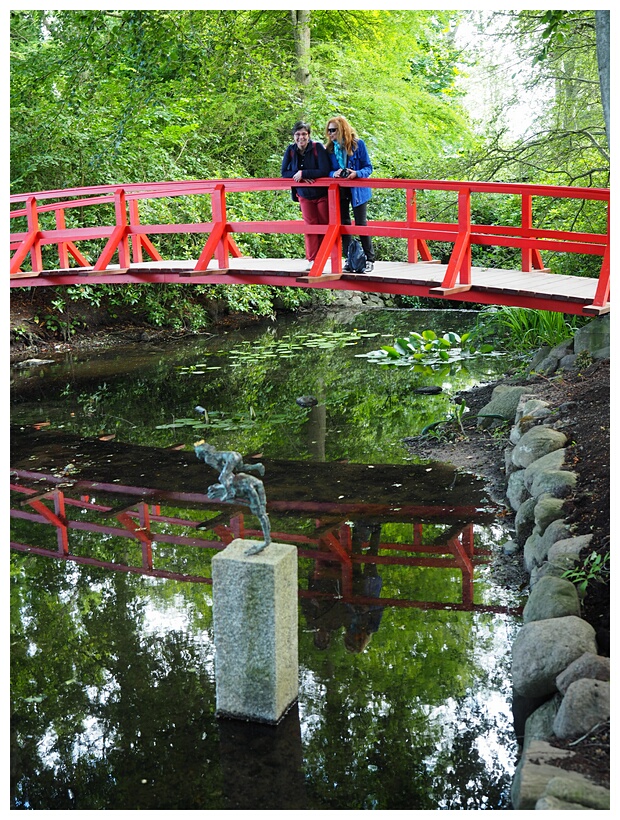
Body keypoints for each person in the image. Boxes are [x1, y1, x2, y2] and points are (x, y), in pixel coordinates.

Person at [325, 115, 375, 273]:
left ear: (341, 130)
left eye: (333, 130)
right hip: (340, 189)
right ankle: (349, 258)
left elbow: (368, 167)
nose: (330, 133)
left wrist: (357, 173)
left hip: (358, 190)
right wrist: (335, 173)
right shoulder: (330, 149)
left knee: (361, 224)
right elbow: (327, 170)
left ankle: (369, 259)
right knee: (344, 224)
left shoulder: (358, 145)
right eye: (329, 130)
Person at [281, 120, 332, 270]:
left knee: (324, 225)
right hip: (304, 194)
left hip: (322, 194)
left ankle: (323, 257)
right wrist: (299, 176)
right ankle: (312, 259)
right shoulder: (290, 150)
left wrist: (304, 173)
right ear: (293, 137)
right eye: (297, 134)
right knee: (310, 227)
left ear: (309, 135)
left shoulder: (317, 148)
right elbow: (284, 173)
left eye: (304, 134)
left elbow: (324, 169)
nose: (301, 137)